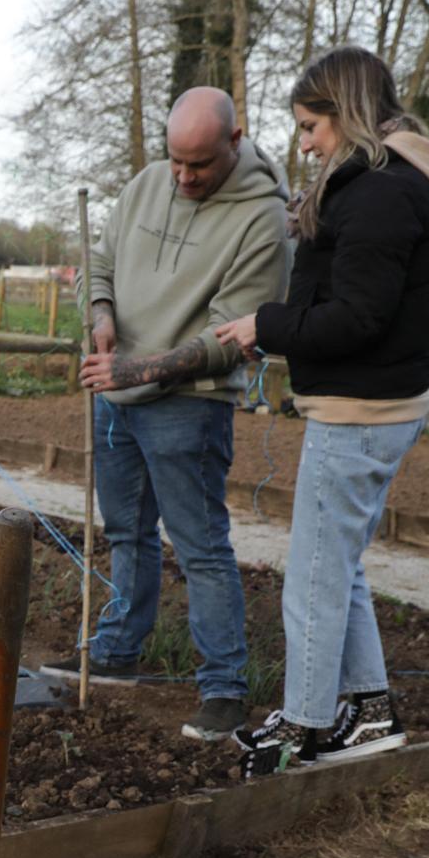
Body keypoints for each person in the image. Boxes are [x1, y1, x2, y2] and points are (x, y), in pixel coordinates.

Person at [215, 47, 429, 778]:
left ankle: (306, 726)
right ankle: (371, 711)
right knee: (341, 567)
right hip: (376, 402)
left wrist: (267, 326)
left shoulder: (382, 193)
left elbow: (357, 317)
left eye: (310, 125)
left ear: (344, 112)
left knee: (315, 577)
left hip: (361, 411)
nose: (305, 143)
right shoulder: (389, 184)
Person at [44, 87, 292, 742]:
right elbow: (98, 262)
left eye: (199, 166)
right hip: (115, 389)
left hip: (189, 403)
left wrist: (140, 369)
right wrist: (100, 313)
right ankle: (119, 651)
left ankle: (224, 690)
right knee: (126, 533)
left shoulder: (264, 221)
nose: (183, 178)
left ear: (234, 144)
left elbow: (235, 336)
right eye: (175, 162)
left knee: (202, 547)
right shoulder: (149, 183)